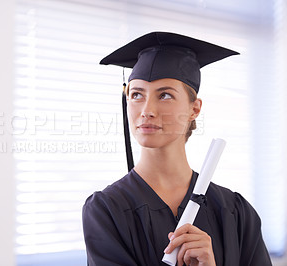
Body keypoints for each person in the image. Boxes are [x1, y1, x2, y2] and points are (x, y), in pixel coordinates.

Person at [82, 32, 272, 266]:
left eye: (165, 95)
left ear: (194, 109)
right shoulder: (107, 211)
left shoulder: (235, 212)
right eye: (136, 94)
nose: (147, 110)